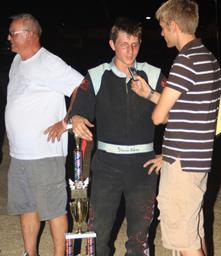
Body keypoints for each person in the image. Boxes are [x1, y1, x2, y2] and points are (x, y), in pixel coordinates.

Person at [69, 17, 166, 255]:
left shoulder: (153, 75)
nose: (130, 50)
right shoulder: (96, 75)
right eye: (124, 44)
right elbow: (77, 109)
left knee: (139, 238)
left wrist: (168, 153)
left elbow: (178, 116)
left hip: (144, 166)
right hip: (106, 166)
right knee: (98, 233)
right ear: (112, 44)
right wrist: (76, 118)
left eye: (135, 44)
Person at [131, 0, 221, 255]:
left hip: (183, 165)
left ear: (173, 25)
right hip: (197, 160)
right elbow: (187, 112)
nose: (161, 33)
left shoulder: (185, 61)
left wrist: (173, 157)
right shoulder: (207, 58)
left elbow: (159, 118)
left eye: (163, 27)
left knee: (184, 242)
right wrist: (150, 94)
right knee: (194, 233)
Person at [5, 13, 85, 256]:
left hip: (45, 152)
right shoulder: (18, 61)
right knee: (27, 207)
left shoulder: (48, 62)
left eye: (13, 34)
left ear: (29, 35)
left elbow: (81, 87)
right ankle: (31, 253)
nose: (8, 38)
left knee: (53, 210)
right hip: (20, 154)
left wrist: (66, 122)